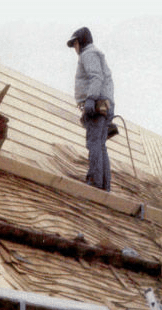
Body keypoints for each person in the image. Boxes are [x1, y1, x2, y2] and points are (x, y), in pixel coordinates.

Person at [67, 27, 114, 191]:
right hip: (104, 103)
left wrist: (90, 99)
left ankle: (94, 180)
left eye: (75, 44)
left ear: (81, 42)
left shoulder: (88, 54)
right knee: (100, 144)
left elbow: (96, 77)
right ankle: (103, 185)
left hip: (96, 103)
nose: (75, 48)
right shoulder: (94, 53)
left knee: (94, 142)